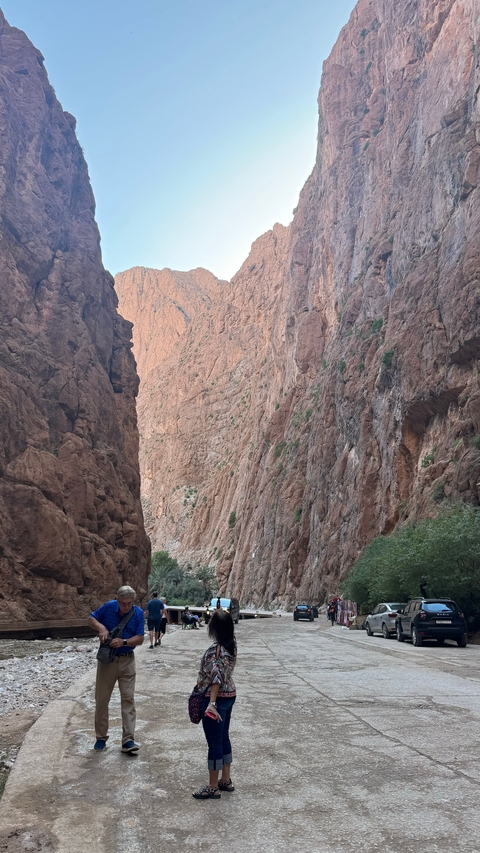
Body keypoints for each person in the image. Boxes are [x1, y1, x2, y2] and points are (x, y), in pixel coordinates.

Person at [88, 585, 145, 753]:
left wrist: (124, 642)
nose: (126, 606)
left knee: (128, 699)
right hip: (107, 662)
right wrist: (101, 628)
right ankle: (100, 737)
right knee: (102, 699)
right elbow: (91, 618)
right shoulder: (108, 607)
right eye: (123, 603)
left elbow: (141, 638)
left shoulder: (138, 613)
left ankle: (128, 740)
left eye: (129, 603)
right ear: (117, 600)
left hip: (127, 661)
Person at [192, 609, 237, 800]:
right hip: (229, 696)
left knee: (214, 742)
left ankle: (212, 786)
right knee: (224, 738)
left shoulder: (215, 649)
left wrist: (211, 703)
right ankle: (225, 780)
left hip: (215, 698)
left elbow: (216, 677)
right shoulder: (230, 646)